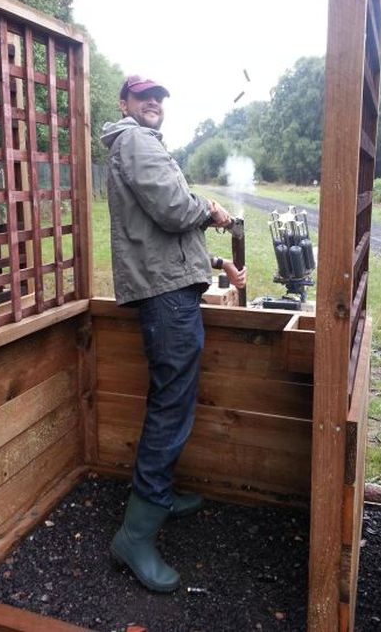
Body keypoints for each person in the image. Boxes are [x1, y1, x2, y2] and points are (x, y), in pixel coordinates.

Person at [101, 75, 246, 593]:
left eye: (158, 98)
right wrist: (210, 208)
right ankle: (135, 535)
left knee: (173, 399)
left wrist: (217, 262)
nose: (153, 103)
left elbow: (161, 239)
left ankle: (159, 497)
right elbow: (173, 210)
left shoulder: (140, 143)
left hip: (169, 289)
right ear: (125, 103)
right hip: (166, 298)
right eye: (144, 96)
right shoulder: (137, 141)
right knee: (170, 405)